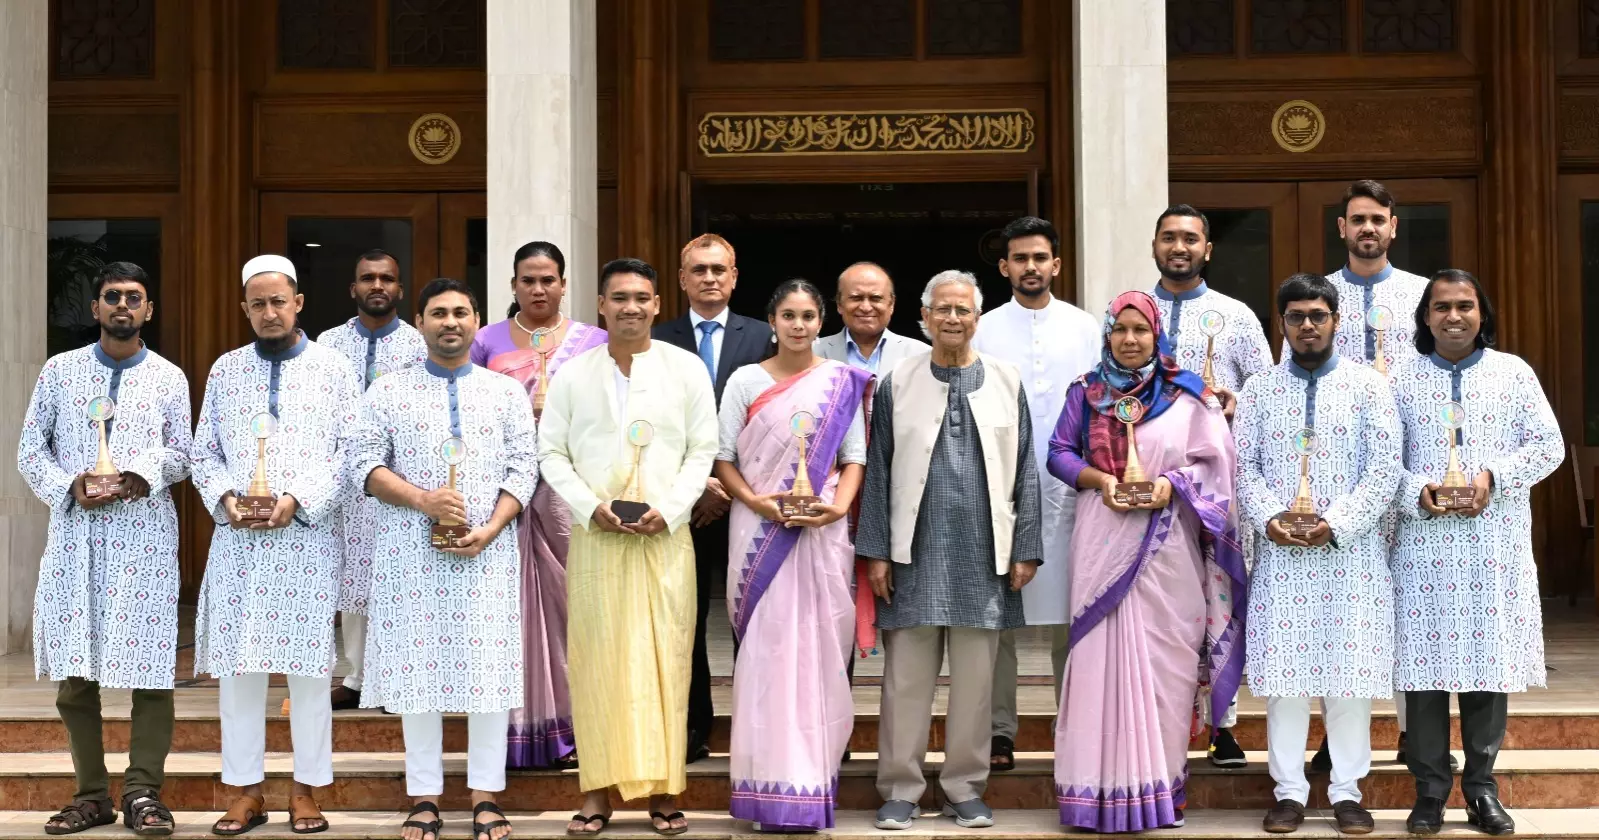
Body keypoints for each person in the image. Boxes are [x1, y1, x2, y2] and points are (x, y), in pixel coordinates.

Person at [1048, 290, 1246, 832]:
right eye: (1120, 330)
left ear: (1156, 334)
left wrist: (1169, 483)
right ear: (1107, 334)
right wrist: (1102, 481)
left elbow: (1217, 463)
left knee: (1167, 663)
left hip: (1168, 546)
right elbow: (1059, 453)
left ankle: (1156, 789)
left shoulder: (1188, 396)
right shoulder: (1085, 394)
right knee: (1096, 659)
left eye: (1140, 330)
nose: (1130, 340)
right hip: (1101, 536)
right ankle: (1095, 792)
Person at [858, 270, 1043, 831]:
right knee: (906, 681)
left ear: (977, 318)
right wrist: (876, 553)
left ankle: (965, 786)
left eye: (962, 310)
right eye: (942, 310)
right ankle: (900, 788)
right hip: (913, 555)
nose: (953, 319)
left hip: (984, 556)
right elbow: (879, 469)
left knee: (975, 683)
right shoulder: (898, 381)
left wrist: (1026, 549)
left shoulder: (1007, 380)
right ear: (924, 316)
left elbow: (1026, 472)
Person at [354, 277, 536, 840]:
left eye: (461, 312)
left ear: (477, 321)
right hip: (410, 555)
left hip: (487, 552)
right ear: (421, 322)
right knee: (416, 674)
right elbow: (365, 466)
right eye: (438, 314)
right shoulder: (387, 392)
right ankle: (424, 798)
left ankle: (485, 796)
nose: (450, 322)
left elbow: (522, 468)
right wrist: (423, 500)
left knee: (487, 673)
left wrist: (490, 528)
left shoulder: (503, 392)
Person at [542, 258, 719, 836]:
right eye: (619, 298)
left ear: (658, 303)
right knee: (597, 662)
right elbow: (552, 454)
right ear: (600, 305)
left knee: (666, 660)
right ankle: (596, 791)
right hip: (597, 540)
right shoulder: (573, 374)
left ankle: (664, 792)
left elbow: (702, 451)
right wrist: (589, 507)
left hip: (664, 540)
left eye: (642, 298)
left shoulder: (686, 369)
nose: (631, 308)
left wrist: (668, 512)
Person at [191, 255, 363, 836]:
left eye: (278, 301)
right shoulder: (225, 370)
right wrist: (227, 499)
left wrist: (298, 499)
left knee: (311, 675)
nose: (269, 312)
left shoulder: (334, 370)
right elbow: (203, 453)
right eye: (258, 303)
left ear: (298, 304)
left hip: (305, 544)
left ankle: (306, 792)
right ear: (245, 309)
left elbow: (349, 454)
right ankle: (244, 793)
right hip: (239, 544)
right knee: (239, 677)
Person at [19, 262, 190, 836]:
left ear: (149, 311)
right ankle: (91, 795)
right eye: (111, 296)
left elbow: (183, 453)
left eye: (133, 297)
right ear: (95, 309)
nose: (122, 305)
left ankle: (144, 793)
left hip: (143, 541)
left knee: (150, 672)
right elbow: (29, 451)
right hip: (76, 540)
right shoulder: (59, 372)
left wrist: (141, 474)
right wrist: (69, 485)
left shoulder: (169, 377)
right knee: (75, 672)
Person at [1390, 270, 1563, 836]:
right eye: (1441, 307)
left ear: (1483, 313)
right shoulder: (1399, 380)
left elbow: (1549, 445)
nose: (1454, 316)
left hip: (1493, 546)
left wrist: (1494, 476)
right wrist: (1416, 489)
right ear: (1425, 317)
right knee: (1424, 673)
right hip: (1423, 547)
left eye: (1465, 306)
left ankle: (1482, 788)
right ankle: (1430, 791)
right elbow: (1380, 461)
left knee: (1489, 668)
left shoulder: (1514, 374)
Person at [1234, 273, 1401, 836]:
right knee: (1284, 682)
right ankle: (1288, 793)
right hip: (1281, 559)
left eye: (1318, 315)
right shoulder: (1259, 389)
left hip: (1349, 559)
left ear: (1337, 320)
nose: (1308, 325)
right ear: (1281, 324)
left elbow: (1383, 472)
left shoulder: (1369, 388)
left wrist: (1337, 524)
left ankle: (1347, 792)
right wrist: (1270, 519)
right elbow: (1244, 468)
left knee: (1349, 679)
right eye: (1297, 316)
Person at [714, 279, 872, 832]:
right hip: (760, 530)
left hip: (821, 532)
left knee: (820, 650)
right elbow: (723, 456)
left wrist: (836, 510)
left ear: (821, 321)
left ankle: (811, 781)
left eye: (808, 316)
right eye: (788, 315)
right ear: (772, 321)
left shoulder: (838, 383)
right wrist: (756, 501)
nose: (799, 325)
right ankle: (764, 788)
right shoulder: (745, 381)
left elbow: (854, 457)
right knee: (767, 651)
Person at [1307, 180, 1430, 771]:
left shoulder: (1422, 294)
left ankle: (1415, 734)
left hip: (1410, 473)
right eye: (1357, 219)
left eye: (1378, 219)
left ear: (1394, 226)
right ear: (1341, 228)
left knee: (1406, 607)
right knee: (1343, 614)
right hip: (1338, 483)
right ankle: (1338, 740)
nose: (1368, 229)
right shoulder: (1318, 295)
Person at [471, 241, 607, 770]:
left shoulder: (592, 341)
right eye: (528, 280)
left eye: (548, 279)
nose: (538, 289)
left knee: (570, 605)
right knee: (510, 609)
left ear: (564, 284)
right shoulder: (486, 341)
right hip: (503, 492)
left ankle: (575, 727)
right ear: (512, 286)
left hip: (567, 492)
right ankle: (512, 730)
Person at [970, 216, 1099, 773]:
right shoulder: (982, 328)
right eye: (1019, 259)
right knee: (999, 619)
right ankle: (999, 732)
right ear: (1004, 267)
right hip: (998, 491)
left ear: (1056, 265)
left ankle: (1073, 726)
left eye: (1039, 258)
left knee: (1075, 615)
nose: (1029, 267)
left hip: (1075, 493)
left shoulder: (1088, 327)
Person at [1148, 204, 1274, 767]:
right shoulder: (1131, 311)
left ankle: (1223, 723)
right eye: (1170, 237)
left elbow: (1268, 395)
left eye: (1191, 239)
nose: (1180, 247)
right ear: (1154, 244)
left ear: (1208, 249)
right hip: (1148, 487)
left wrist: (1233, 402)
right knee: (1158, 604)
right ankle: (1160, 717)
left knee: (1217, 599)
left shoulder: (1237, 317)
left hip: (1217, 488)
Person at [651, 233, 774, 763]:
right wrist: (699, 482)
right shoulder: (656, 338)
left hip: (749, 499)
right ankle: (692, 726)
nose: (709, 278)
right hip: (686, 503)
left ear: (735, 276)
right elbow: (650, 420)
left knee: (756, 613)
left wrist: (733, 485)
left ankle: (758, 726)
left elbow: (772, 418)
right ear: (682, 279)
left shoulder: (766, 336)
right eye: (698, 269)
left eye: (718, 269)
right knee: (688, 617)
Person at [315, 248, 427, 712]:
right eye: (368, 278)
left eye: (386, 278)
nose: (377, 285)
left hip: (401, 482)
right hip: (344, 483)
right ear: (353, 288)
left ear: (400, 288)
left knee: (400, 580)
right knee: (352, 582)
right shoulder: (328, 343)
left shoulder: (419, 345)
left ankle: (402, 674)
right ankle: (358, 678)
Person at [813, 262, 927, 373]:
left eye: (875, 298)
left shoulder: (922, 355)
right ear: (839, 304)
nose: (866, 308)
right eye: (856, 298)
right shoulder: (811, 352)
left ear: (891, 304)